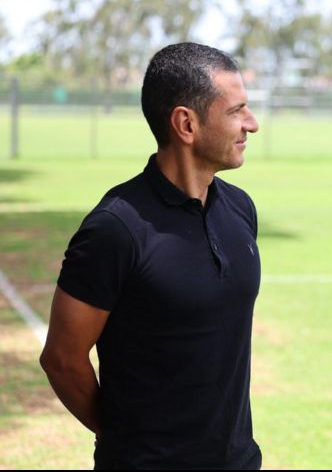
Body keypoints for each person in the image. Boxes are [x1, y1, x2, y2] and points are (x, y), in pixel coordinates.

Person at [39, 42, 262, 469]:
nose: (251, 124)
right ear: (186, 124)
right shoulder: (115, 229)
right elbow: (62, 359)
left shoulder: (240, 210)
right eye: (236, 111)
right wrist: (125, 436)